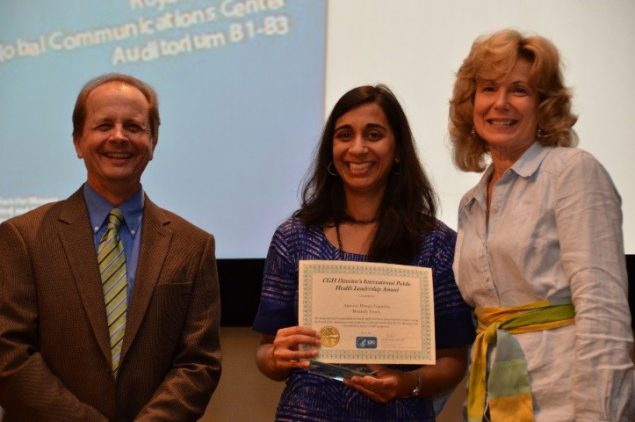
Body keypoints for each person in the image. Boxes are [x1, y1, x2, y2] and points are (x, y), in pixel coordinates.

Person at [0, 73, 222, 421]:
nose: (119, 137)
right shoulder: (22, 237)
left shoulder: (192, 246)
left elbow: (199, 363)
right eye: (104, 125)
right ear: (77, 141)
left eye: (134, 127)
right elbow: (9, 356)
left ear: (153, 142)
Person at [253, 84, 475, 421]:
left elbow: (453, 360)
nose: (358, 148)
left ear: (397, 149)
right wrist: (275, 358)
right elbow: (267, 351)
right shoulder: (294, 237)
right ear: (331, 149)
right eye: (344, 135)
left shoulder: (436, 243)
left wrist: (405, 383)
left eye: (374, 134)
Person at [449, 29, 635, 421]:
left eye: (519, 90)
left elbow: (604, 312)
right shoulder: (471, 201)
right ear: (470, 103)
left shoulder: (573, 172)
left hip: (565, 405)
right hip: (489, 405)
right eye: (488, 89)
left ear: (543, 104)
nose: (500, 103)